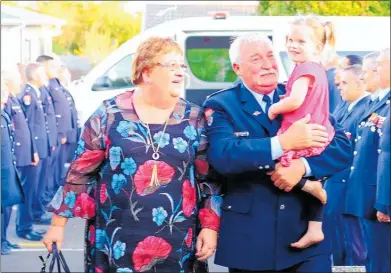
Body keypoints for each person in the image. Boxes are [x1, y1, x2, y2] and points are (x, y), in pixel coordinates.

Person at [43, 37, 221, 272]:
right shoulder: (109, 114)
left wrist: (210, 227)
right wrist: (58, 225)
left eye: (182, 66)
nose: (180, 72)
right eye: (171, 66)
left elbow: (208, 180)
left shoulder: (195, 118)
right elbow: (80, 171)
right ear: (147, 73)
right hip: (116, 241)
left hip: (179, 244)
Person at [203, 31, 352, 272]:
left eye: (270, 56)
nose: (267, 65)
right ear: (237, 67)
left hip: (304, 237)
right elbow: (224, 155)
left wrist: (301, 168)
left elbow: (342, 145)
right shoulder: (221, 104)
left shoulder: (298, 94)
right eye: (256, 59)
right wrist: (283, 143)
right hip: (251, 241)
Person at [266, 16, 336, 247]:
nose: (292, 45)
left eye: (300, 41)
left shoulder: (304, 68)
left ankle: (310, 188)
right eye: (289, 39)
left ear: (317, 47)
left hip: (302, 133)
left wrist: (275, 108)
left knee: (270, 165)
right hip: (317, 130)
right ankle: (315, 227)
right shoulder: (318, 69)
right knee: (312, 175)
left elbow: (295, 100)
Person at [346, 47, 390, 273]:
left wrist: (385, 202)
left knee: (381, 261)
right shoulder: (375, 103)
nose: (365, 75)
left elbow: (387, 155)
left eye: (378, 66)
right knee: (372, 258)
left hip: (379, 196)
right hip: (368, 194)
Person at [324, 64, 370, 266]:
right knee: (338, 246)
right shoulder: (345, 108)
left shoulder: (365, 111)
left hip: (348, 188)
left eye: (344, 82)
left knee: (354, 248)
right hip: (335, 187)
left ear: (361, 82)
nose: (339, 87)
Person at [16, 63, 49, 241]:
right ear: (35, 75)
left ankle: (28, 224)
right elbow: (27, 127)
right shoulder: (28, 94)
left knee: (33, 189)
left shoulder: (36, 93)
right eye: (42, 73)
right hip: (31, 152)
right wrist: (33, 151)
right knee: (27, 191)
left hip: (37, 149)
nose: (45, 76)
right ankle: (24, 227)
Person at [36, 55, 72, 193]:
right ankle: (45, 195)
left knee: (52, 168)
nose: (55, 69)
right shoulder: (46, 86)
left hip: (57, 134)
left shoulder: (53, 84)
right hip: (52, 135)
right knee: (47, 170)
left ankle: (48, 194)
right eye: (51, 66)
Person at [1, 74, 24, 254]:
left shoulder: (3, 113)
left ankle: (3, 239)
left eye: (5, 88)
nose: (4, 92)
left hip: (7, 168)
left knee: (7, 207)